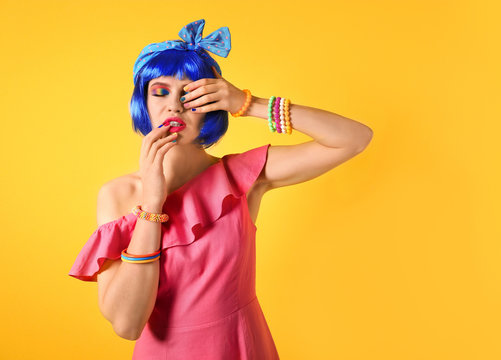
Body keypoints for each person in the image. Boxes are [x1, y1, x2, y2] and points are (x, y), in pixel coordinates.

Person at [69, 19, 373, 360]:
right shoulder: (117, 195)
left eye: (191, 93)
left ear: (211, 103)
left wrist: (248, 103)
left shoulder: (242, 176)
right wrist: (153, 203)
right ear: (144, 102)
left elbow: (354, 139)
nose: (175, 106)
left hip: (241, 347)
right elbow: (127, 324)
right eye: (160, 92)